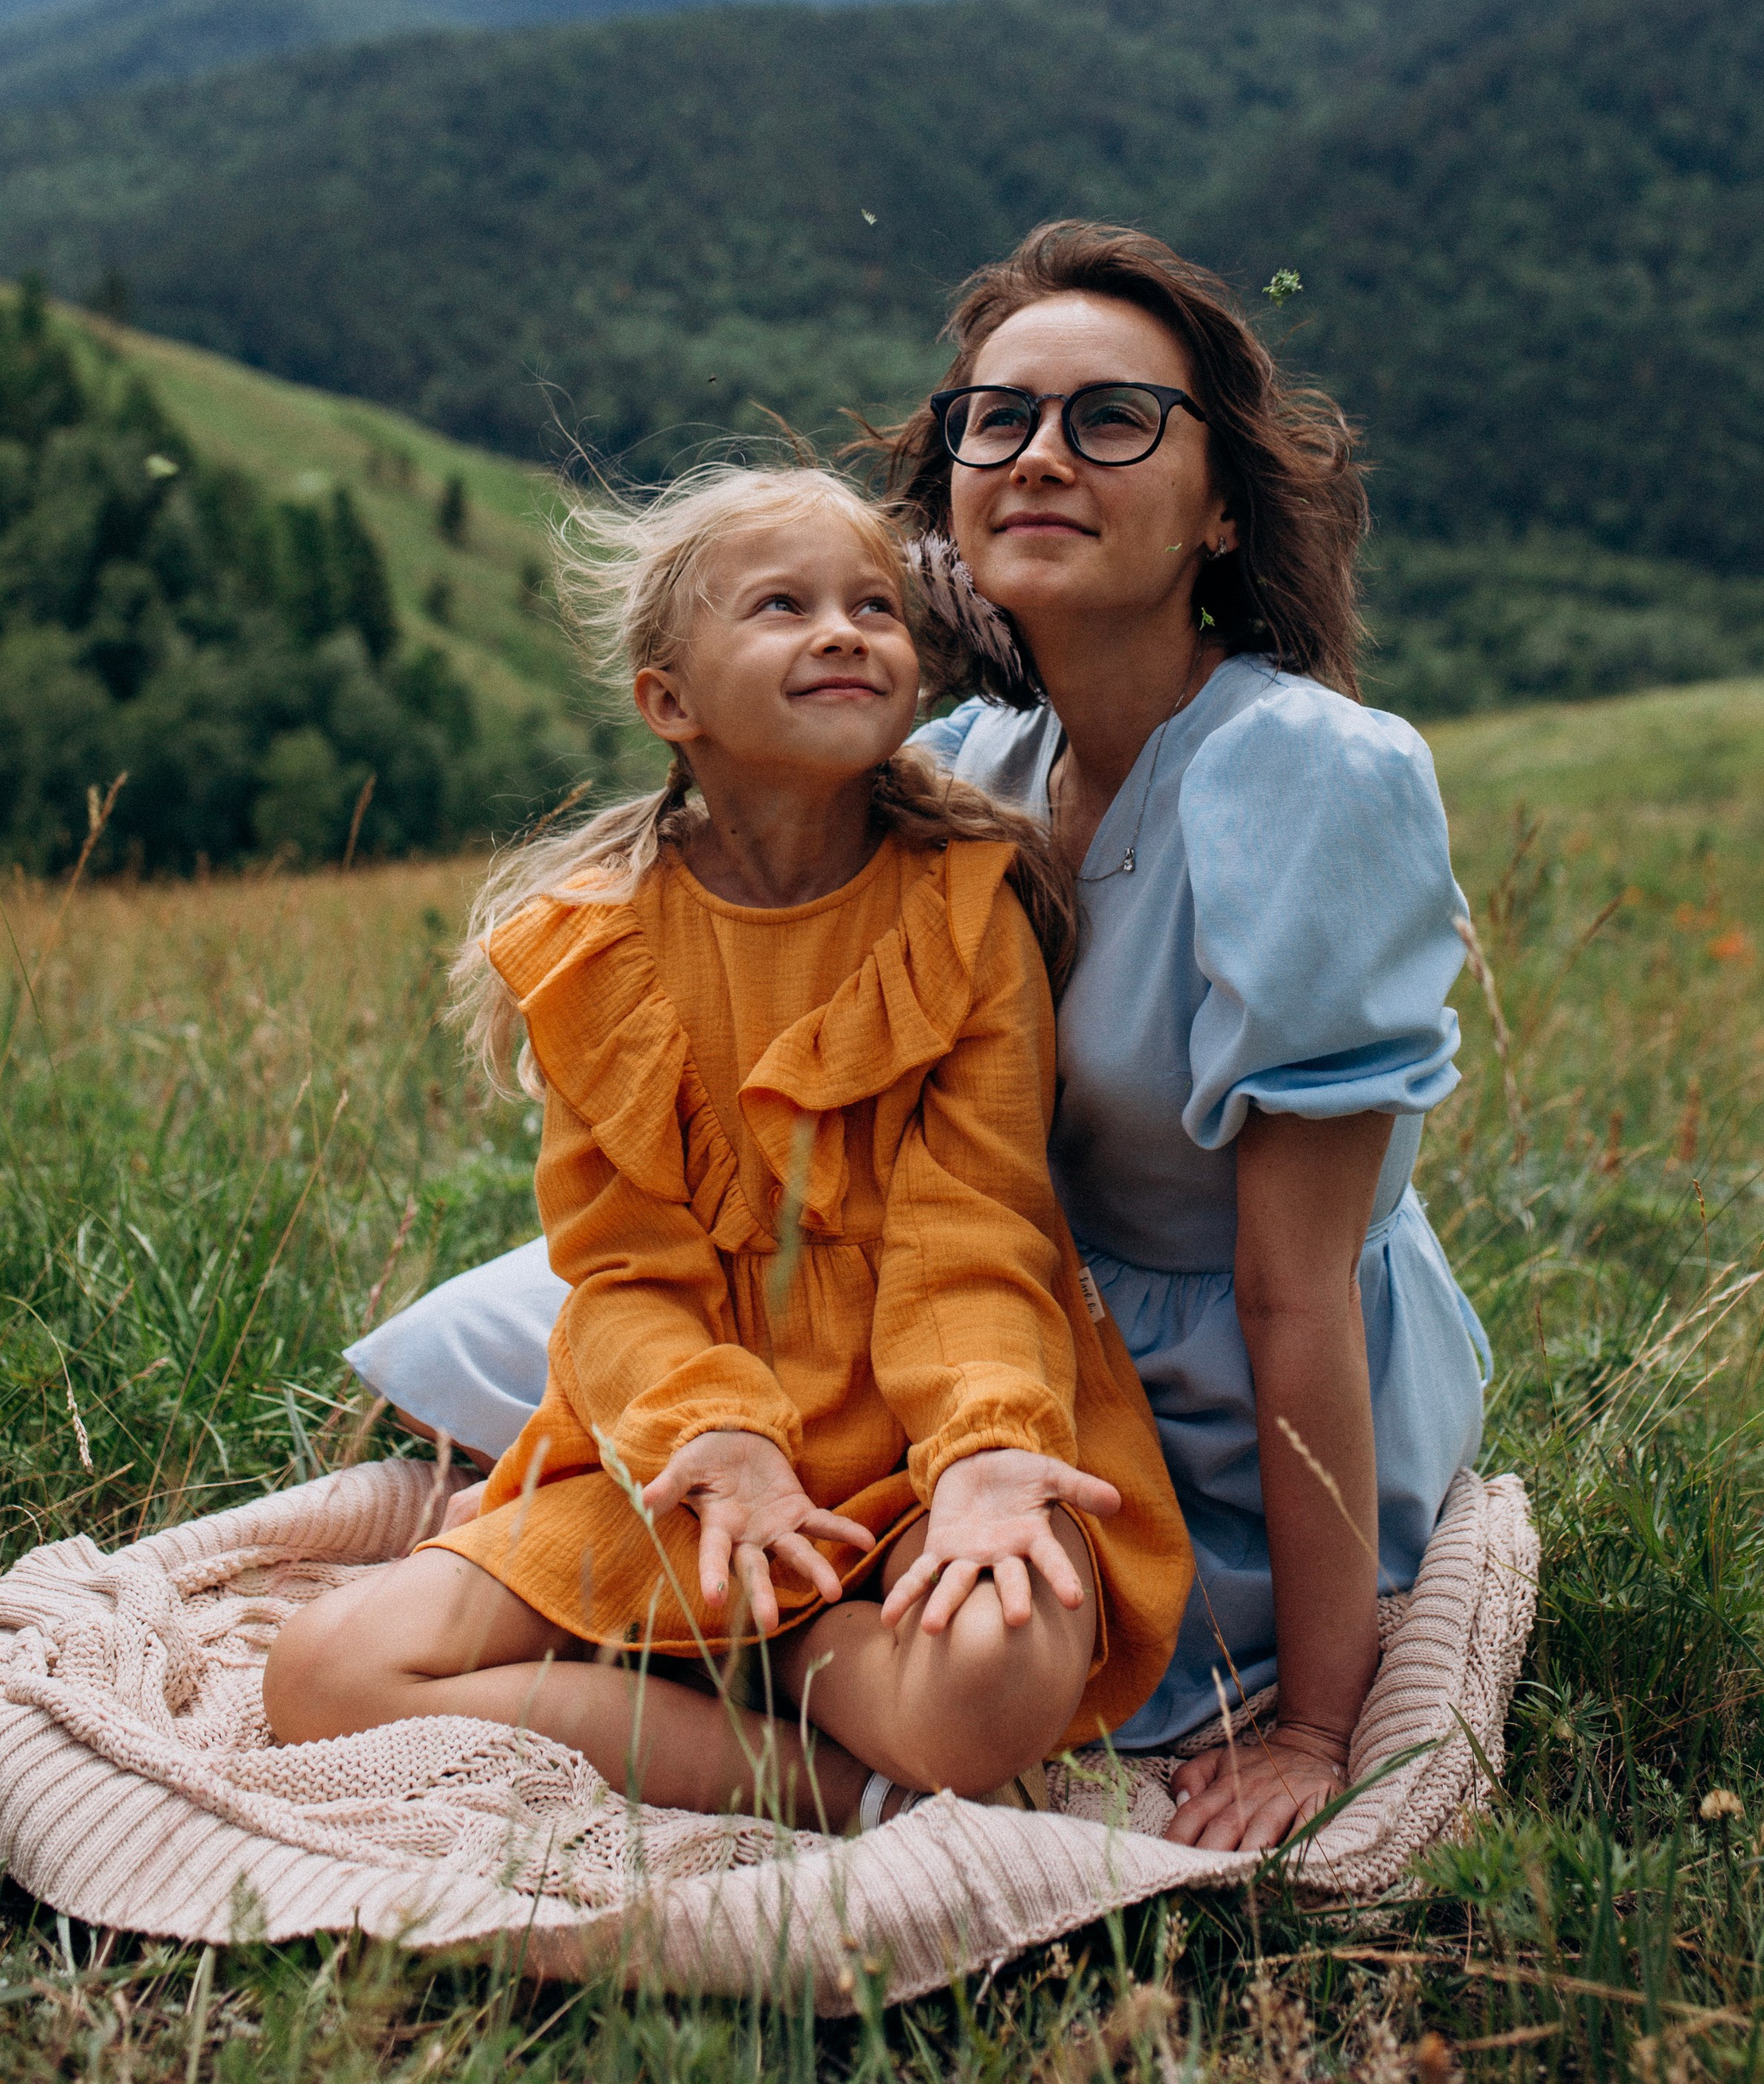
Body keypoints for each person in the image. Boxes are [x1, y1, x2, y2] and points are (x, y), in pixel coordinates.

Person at [350, 223, 1489, 1851]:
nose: (1037, 455)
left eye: (1111, 420)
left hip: (1217, 1364)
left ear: (1221, 503)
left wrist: (1318, 1721)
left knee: (961, 1603)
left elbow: (1287, 1285)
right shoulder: (975, 757)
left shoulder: (1308, 777)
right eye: (996, 419)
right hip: (923, 1287)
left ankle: (785, 1663)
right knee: (500, 1344)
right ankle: (736, 1594)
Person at [268, 463, 1191, 1830]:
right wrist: (719, 1445)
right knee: (322, 1674)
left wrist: (989, 1455)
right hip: (693, 1465)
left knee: (1003, 1669)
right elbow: (626, 1275)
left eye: (875, 606)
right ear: (670, 702)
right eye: (782, 605)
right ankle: (829, 1777)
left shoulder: (961, 909)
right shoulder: (603, 949)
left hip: (918, 1443)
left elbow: (977, 1236)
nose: (843, 631)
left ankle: (787, 1656)